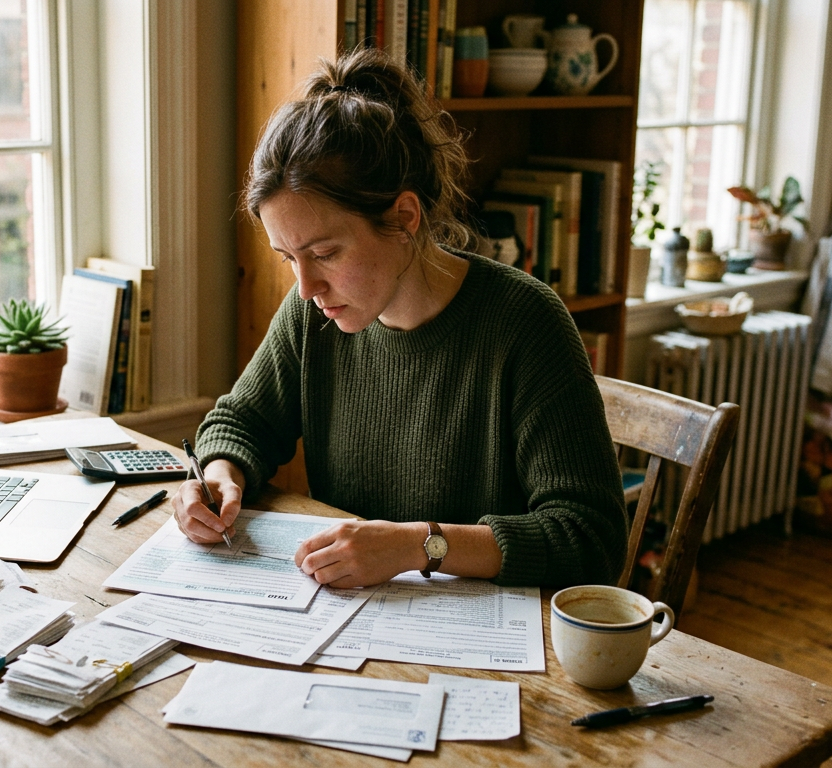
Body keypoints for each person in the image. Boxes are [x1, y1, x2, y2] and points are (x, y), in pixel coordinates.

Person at [175, 48, 627, 589]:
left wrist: (419, 544)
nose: (306, 287)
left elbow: (591, 538)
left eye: (324, 253)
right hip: (352, 622)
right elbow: (241, 422)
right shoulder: (311, 316)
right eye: (288, 258)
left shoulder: (524, 323)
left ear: (403, 218)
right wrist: (219, 476)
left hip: (485, 644)